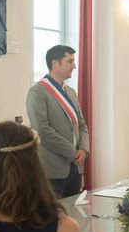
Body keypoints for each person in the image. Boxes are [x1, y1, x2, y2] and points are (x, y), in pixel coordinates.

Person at [26, 45, 89, 199]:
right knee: (53, 218)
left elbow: (82, 125)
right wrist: (72, 153)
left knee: (74, 214)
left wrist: (83, 150)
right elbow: (42, 130)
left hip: (76, 166)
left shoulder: (71, 93)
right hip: (52, 168)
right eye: (70, 61)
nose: (74, 66)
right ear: (55, 63)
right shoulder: (37, 92)